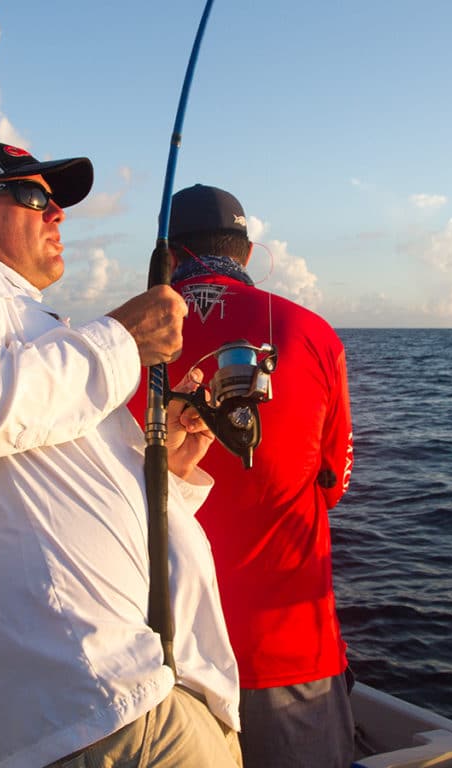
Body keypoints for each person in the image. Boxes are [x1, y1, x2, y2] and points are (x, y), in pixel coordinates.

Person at [0, 139, 242, 768]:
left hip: (139, 700)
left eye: (57, 201)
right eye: (34, 196)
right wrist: (121, 338)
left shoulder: (17, 326)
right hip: (110, 711)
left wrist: (169, 470)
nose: (57, 213)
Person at [132, 183, 355, 767]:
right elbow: (333, 485)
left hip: (160, 657)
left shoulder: (114, 344)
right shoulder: (312, 334)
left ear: (167, 257)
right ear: (248, 253)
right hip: (286, 653)